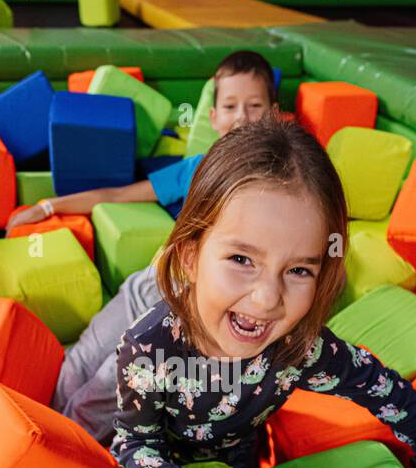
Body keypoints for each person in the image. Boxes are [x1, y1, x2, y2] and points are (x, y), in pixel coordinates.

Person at [110, 115, 416, 468]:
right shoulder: (148, 348)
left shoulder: (298, 346)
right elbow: (133, 440)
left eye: (298, 271)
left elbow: (383, 388)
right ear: (191, 257)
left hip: (240, 460)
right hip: (164, 465)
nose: (267, 298)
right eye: (241, 260)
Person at [38, 50, 282, 443]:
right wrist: (47, 205)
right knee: (73, 369)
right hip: (145, 286)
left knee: (98, 395)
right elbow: (118, 195)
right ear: (214, 116)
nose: (241, 117)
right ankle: (26, 447)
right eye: (231, 106)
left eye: (254, 106)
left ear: (273, 113)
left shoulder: (277, 187)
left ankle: (56, 461)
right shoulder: (198, 168)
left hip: (177, 309)